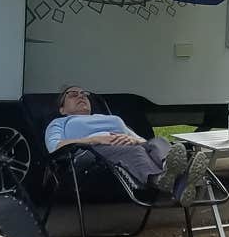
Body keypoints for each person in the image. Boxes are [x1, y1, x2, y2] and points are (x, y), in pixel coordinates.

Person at [44, 85, 211, 202]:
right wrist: (93, 140)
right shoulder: (60, 123)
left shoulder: (111, 119)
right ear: (62, 109)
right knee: (135, 152)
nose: (81, 96)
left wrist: (134, 139)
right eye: (73, 94)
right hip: (90, 153)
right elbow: (54, 147)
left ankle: (173, 175)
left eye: (83, 94)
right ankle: (170, 179)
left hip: (126, 145)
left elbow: (144, 142)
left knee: (158, 141)